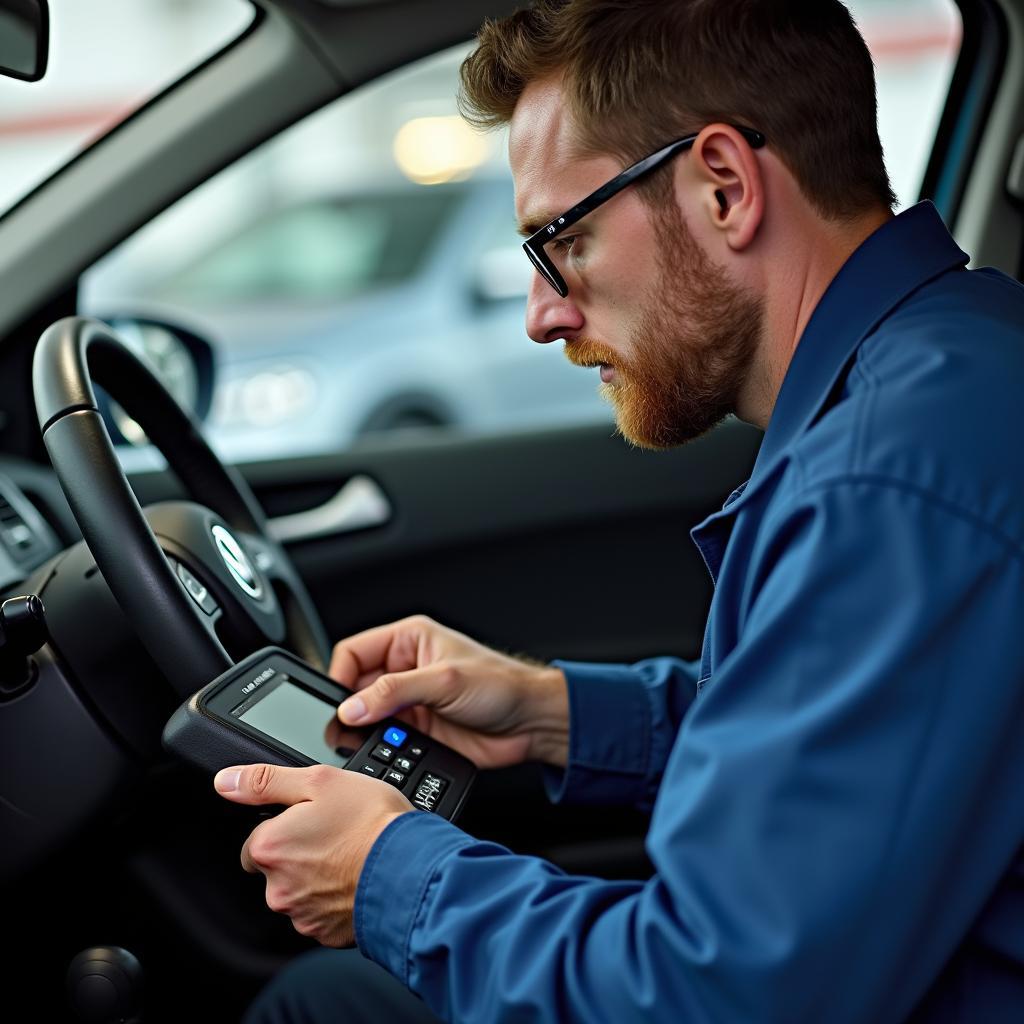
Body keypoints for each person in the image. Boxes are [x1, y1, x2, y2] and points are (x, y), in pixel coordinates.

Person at [215, 1, 1024, 1021]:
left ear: (723, 187)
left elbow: (717, 994)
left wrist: (388, 875)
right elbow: (835, 754)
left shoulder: (887, 483)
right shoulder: (957, 361)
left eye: (565, 241)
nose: (542, 314)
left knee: (321, 1005)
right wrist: (551, 713)